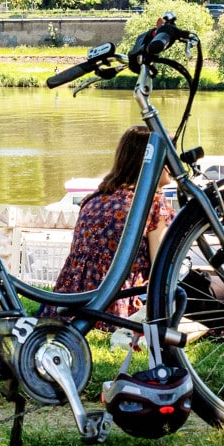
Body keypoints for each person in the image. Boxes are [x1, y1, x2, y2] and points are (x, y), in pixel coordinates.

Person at [45, 125, 173, 322]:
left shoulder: (92, 199)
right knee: (216, 293)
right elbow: (162, 268)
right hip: (119, 304)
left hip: (70, 301)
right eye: (168, 157)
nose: (173, 164)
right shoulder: (153, 205)